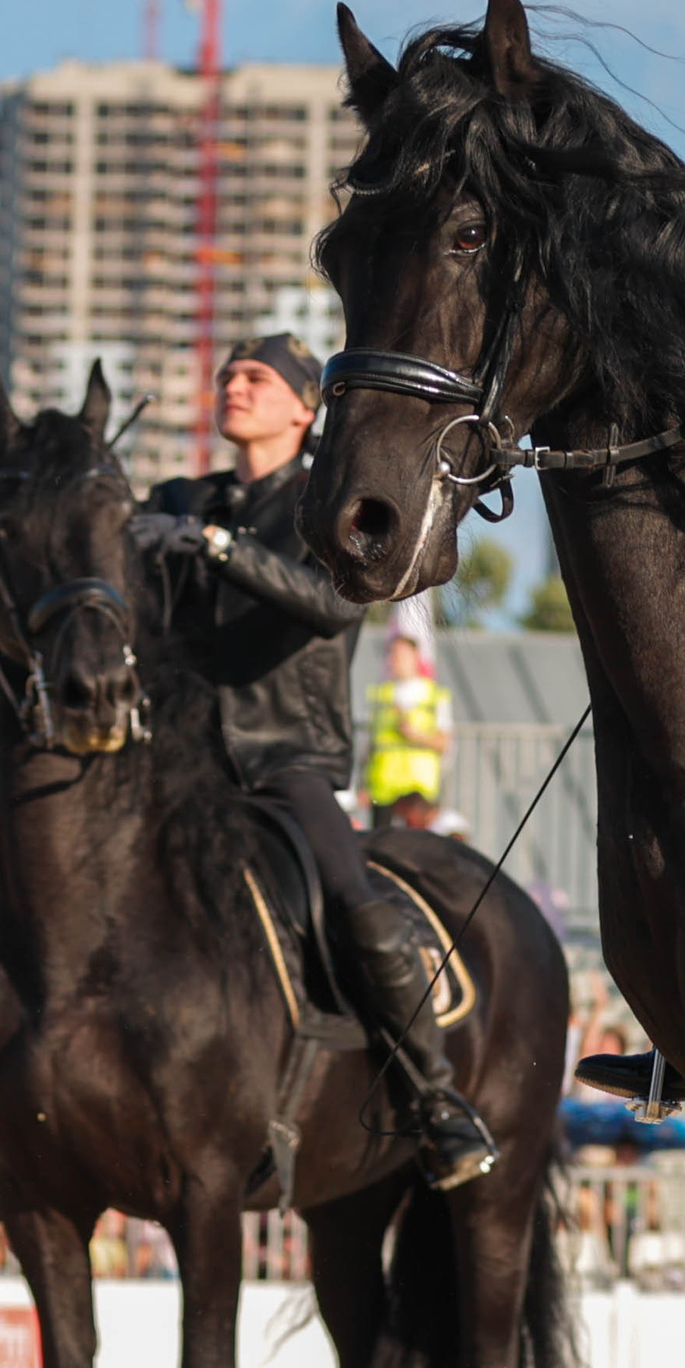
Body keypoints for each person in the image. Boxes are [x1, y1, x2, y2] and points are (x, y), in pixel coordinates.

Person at [128, 331, 498, 1188]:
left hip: (285, 758)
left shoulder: (325, 503)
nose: (233, 384)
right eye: (227, 374)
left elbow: (333, 604)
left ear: (304, 408)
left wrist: (218, 549)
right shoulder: (183, 494)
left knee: (356, 903)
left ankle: (436, 1099)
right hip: (176, 762)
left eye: (256, 377)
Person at [364, 632, 453, 831]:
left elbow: (444, 743)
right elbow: (371, 745)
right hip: (383, 790)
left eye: (400, 655)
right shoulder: (380, 694)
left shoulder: (434, 695)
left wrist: (415, 735)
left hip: (418, 790)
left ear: (415, 657)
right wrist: (364, 785)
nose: (393, 660)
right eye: (391, 655)